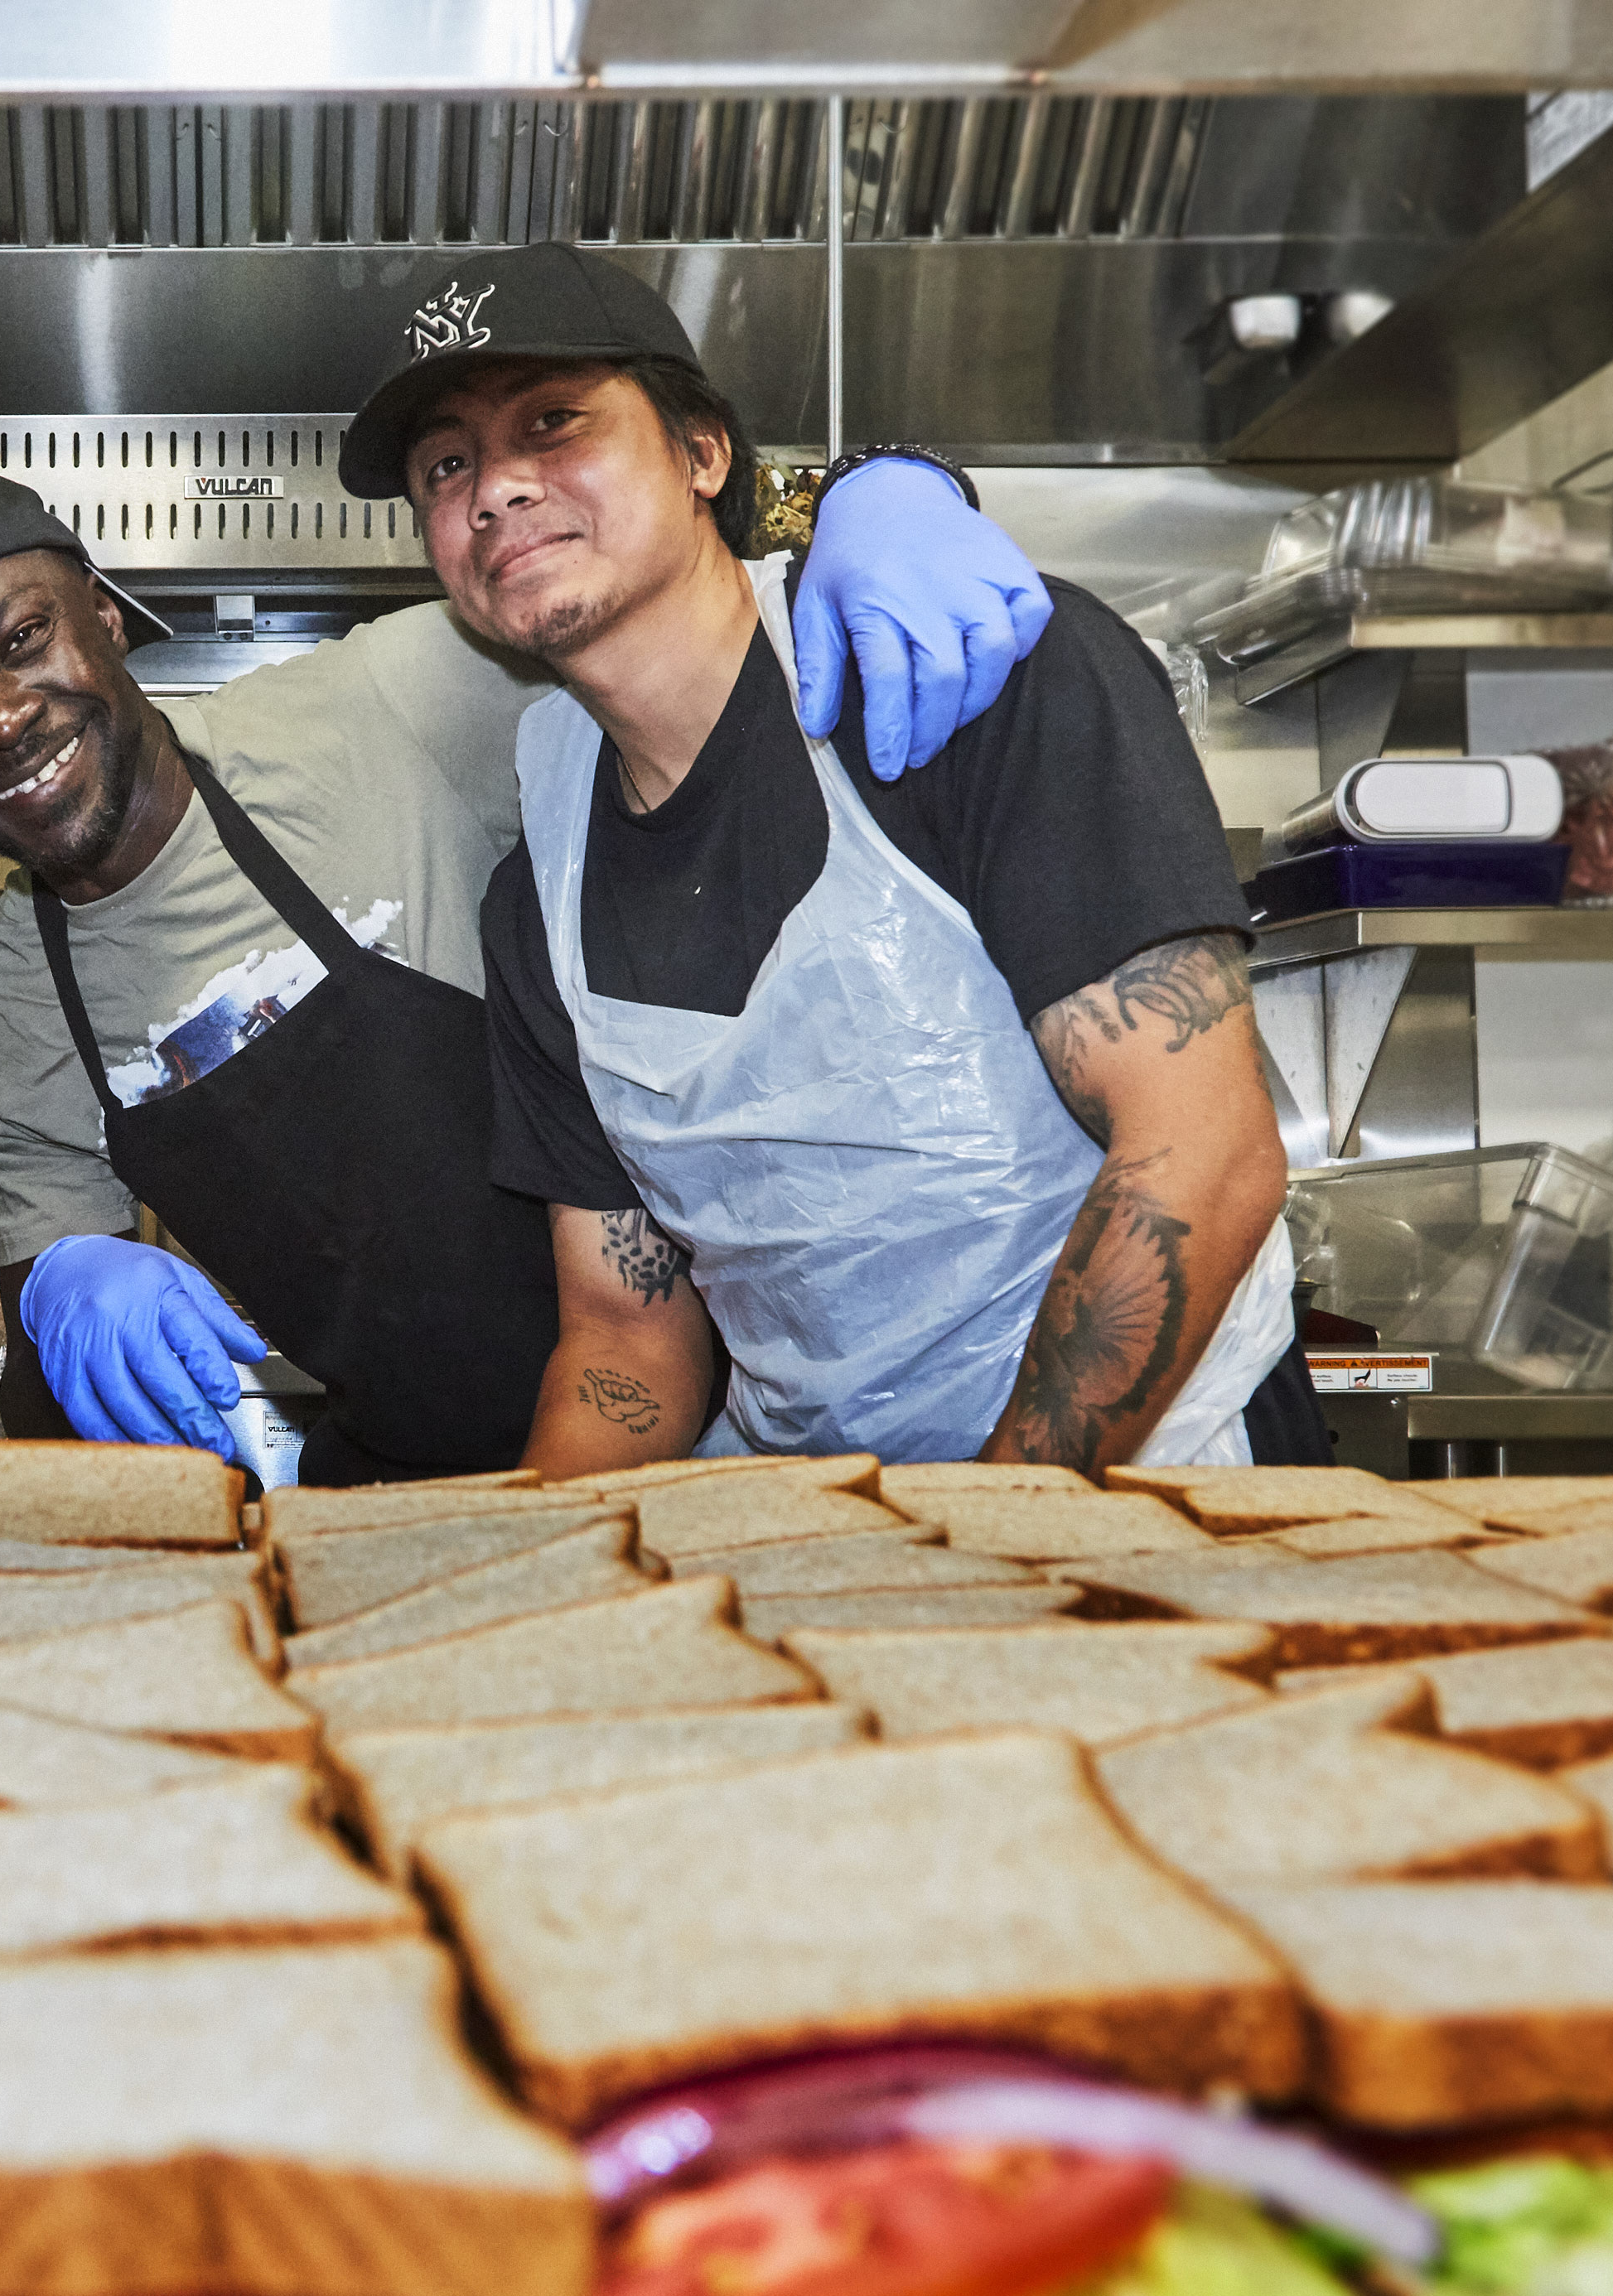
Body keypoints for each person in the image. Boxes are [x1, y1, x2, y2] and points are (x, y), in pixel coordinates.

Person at [0, 429, 1055, 1486]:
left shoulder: (396, 699)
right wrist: (58, 1296)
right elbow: (65, 1413)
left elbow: (681, 601)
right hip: (396, 1484)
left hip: (698, 1431)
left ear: (104, 617)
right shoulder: (3, 1020)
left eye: (24, 635)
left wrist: (877, 489)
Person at [329, 242, 1323, 1474]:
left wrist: (992, 1529)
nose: (494, 490)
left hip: (1150, 1478)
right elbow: (626, 1338)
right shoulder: (540, 905)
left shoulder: (959, 683)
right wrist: (542, 1567)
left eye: (553, 422)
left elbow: (1201, 1152)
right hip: (829, 1515)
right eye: (447, 465)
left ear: (703, 453)